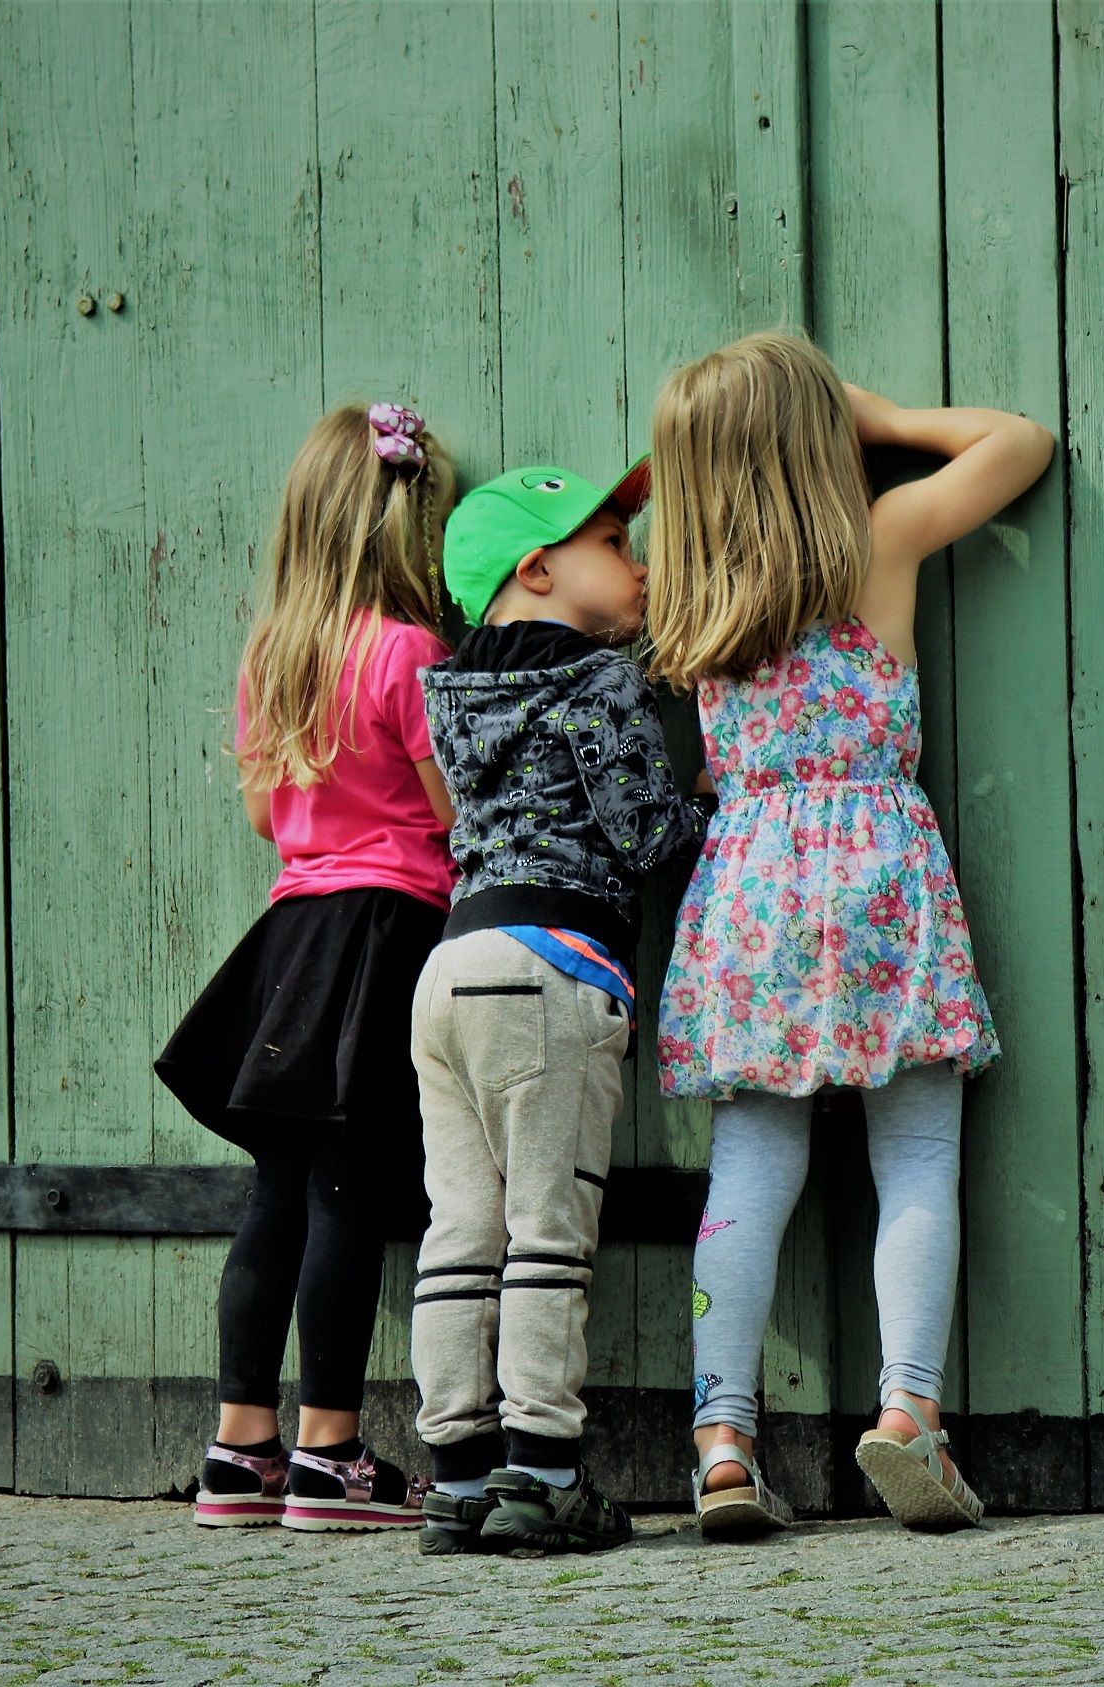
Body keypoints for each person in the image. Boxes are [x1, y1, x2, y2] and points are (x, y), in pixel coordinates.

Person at [645, 331, 1055, 1535]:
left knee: (749, 1167)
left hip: (751, 886)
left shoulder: (685, 588)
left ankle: (721, 1435)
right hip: (875, 872)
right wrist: (881, 414)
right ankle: (907, 1414)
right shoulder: (878, 542)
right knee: (915, 1155)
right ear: (826, 440)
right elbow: (1015, 443)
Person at [156, 403, 456, 1531]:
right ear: (399, 522)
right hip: (382, 930)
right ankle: (331, 1450)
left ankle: (241, 1447)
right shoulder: (408, 651)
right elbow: (450, 812)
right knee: (348, 1185)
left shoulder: (274, 651)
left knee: (274, 1188)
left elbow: (258, 809)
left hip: (290, 936)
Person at [410, 460, 715, 1556]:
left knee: (460, 1230)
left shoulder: (447, 687)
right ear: (537, 569)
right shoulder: (595, 683)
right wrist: (711, 800)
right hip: (551, 967)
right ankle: (540, 1471)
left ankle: (453, 1476)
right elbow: (644, 840)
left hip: (449, 969)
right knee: (547, 1231)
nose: (639, 564)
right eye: (615, 544)